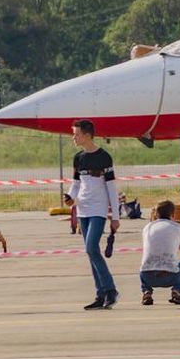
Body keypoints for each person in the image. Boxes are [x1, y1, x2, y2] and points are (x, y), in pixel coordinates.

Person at [71, 119, 120, 310]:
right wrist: (70, 197)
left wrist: (115, 216)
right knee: (91, 253)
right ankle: (100, 294)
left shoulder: (104, 158)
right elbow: (76, 184)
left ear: (87, 135)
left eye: (76, 134)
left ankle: (110, 289)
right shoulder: (78, 158)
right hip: (82, 210)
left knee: (91, 248)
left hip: (98, 211)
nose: (73, 137)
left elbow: (111, 188)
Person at [139, 200, 180, 306]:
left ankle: (146, 292)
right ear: (173, 214)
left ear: (156, 214)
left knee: (145, 263)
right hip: (169, 276)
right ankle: (176, 291)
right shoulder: (179, 228)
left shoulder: (147, 228)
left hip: (147, 276)